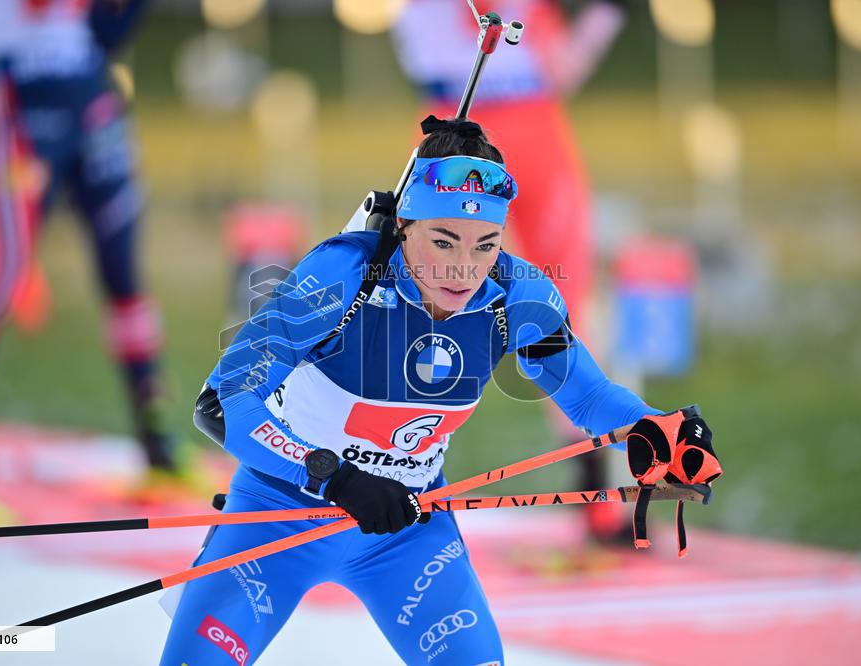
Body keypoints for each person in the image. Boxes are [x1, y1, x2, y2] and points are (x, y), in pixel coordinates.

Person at [159, 119, 715, 665]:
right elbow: (222, 402)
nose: (463, 269)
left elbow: (589, 399)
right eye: (443, 241)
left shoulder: (516, 296)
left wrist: (658, 429)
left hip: (405, 533)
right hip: (278, 513)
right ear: (405, 223)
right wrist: (332, 476)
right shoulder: (343, 275)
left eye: (485, 245)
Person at [0, 0, 192, 523]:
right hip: (27, 112)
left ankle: (159, 446)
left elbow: (104, 31)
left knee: (125, 278)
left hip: (92, 103)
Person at [392, 0, 633, 541]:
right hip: (459, 124)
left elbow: (561, 67)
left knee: (563, 299)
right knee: (429, 295)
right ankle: (394, 468)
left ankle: (594, 490)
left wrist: (604, 17)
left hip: (532, 121)